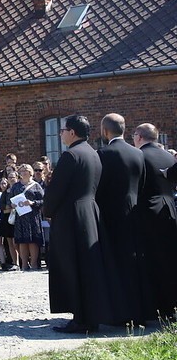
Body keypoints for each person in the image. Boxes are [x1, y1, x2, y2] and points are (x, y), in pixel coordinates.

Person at [44, 115, 119, 333]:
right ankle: (90, 316)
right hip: (90, 212)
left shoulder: (70, 156)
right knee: (88, 267)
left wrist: (48, 211)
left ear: (72, 132)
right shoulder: (93, 154)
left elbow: (56, 191)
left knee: (72, 266)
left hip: (71, 216)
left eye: (63, 130)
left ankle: (79, 318)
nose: (60, 134)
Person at [96, 114, 148, 325]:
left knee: (113, 265)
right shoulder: (138, 153)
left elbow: (98, 187)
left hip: (110, 216)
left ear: (105, 131)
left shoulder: (103, 153)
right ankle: (138, 310)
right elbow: (141, 184)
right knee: (133, 263)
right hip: (134, 213)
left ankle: (118, 313)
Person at [133, 123, 177, 321]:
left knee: (150, 261)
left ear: (139, 137)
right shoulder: (168, 156)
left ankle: (154, 305)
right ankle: (170, 305)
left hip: (148, 212)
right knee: (169, 259)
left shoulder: (139, 156)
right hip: (170, 209)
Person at [11, 165, 44, 271]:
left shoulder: (36, 186)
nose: (24, 172)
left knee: (32, 241)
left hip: (33, 217)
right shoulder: (16, 186)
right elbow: (10, 200)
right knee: (22, 241)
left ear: (30, 172)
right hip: (20, 217)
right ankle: (24, 265)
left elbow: (43, 201)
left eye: (26, 171)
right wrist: (13, 205)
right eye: (22, 171)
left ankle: (34, 264)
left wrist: (32, 203)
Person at [0, 175, 19, 271]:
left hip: (20, 218)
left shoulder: (20, 189)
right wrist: (10, 207)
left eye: (13, 177)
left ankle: (23, 262)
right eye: (9, 177)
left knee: (18, 243)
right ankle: (15, 263)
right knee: (10, 242)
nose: (11, 179)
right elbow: (1, 206)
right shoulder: (6, 192)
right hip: (9, 219)